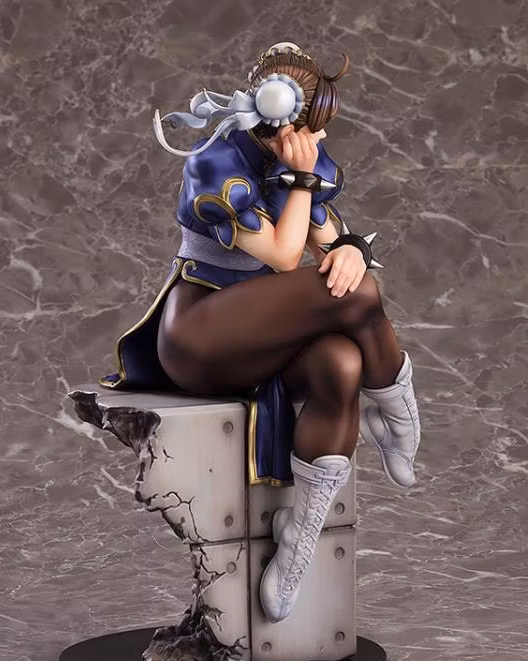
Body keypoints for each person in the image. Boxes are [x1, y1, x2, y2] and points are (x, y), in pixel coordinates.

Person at [100, 42, 421, 624]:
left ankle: (299, 541)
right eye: (310, 128)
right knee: (360, 296)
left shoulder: (302, 159)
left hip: (265, 338)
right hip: (200, 337)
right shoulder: (215, 163)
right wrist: (300, 181)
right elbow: (282, 255)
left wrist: (350, 249)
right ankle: (397, 413)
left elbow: (327, 238)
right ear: (279, 117)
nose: (319, 140)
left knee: (341, 362)